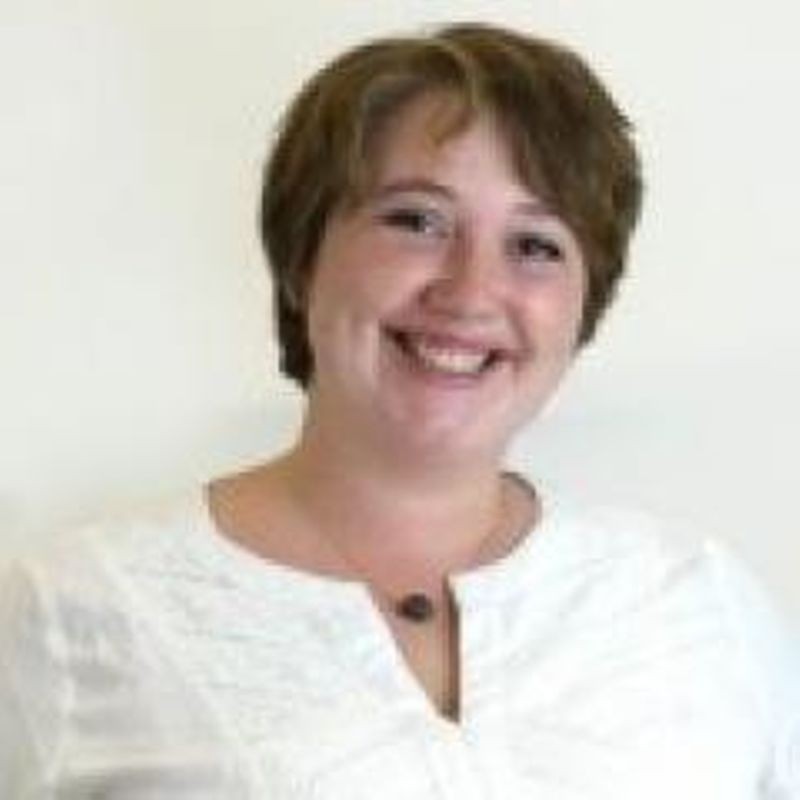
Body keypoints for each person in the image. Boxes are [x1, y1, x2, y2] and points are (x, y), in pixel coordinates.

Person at [1, 21, 798, 799]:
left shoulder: (700, 600)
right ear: (303, 257)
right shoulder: (71, 614)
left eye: (535, 245)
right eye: (417, 221)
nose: (472, 291)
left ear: (584, 304)